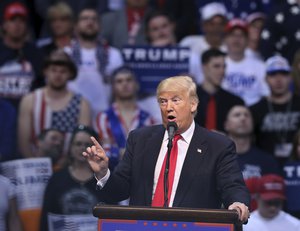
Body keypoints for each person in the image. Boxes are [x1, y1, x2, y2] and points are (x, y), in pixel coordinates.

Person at [83, 76, 250, 223]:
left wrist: (236, 202)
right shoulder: (140, 139)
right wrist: (103, 173)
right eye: (163, 101)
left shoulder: (217, 145)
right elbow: (119, 191)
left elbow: (232, 185)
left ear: (193, 104)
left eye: (176, 100)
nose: (168, 107)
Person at [18, 49, 91, 158]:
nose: (58, 75)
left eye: (63, 71)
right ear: (45, 71)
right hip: (34, 164)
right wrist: (35, 164)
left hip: (69, 167)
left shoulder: (82, 104)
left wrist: (65, 165)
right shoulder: (30, 100)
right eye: (54, 70)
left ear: (70, 74)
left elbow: (84, 141)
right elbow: (23, 142)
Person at [39, 125, 106, 231]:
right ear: (70, 147)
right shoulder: (56, 179)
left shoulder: (103, 180)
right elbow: (46, 217)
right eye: (78, 144)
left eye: (87, 145)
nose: (82, 148)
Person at [94, 66, 156, 171]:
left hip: (140, 176)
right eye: (119, 81)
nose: (124, 84)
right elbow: (104, 153)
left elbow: (150, 153)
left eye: (129, 80)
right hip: (111, 176)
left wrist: (117, 151)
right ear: (113, 87)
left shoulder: (148, 119)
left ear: (136, 85)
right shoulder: (103, 117)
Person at [66, 7, 123, 116]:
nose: (90, 22)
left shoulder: (113, 54)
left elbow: (119, 90)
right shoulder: (66, 54)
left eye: (94, 19)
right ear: (75, 26)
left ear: (100, 26)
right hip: (72, 114)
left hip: (104, 116)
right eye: (85, 18)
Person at [224, 105, 280, 211]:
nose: (243, 118)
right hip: (226, 219)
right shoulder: (217, 159)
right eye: (237, 115)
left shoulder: (267, 161)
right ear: (226, 125)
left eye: (247, 115)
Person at [250, 55, 300, 168]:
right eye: (273, 74)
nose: (278, 79)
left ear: (290, 77)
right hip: (265, 167)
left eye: (283, 73)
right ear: (266, 79)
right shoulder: (255, 109)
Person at [0, 1, 44, 109]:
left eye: (22, 21)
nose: (17, 25)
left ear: (27, 25)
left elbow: (42, 86)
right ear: (4, 25)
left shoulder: (36, 53)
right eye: (12, 20)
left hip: (29, 112)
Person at [221, 18, 269, 106]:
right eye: (232, 35)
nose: (236, 39)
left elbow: (266, 95)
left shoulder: (260, 66)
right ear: (225, 39)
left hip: (253, 113)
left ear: (247, 40)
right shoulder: (217, 65)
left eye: (241, 35)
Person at [195, 48, 244, 132]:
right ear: (204, 68)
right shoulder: (186, 100)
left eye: (224, 67)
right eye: (216, 66)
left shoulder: (235, 102)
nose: (222, 71)